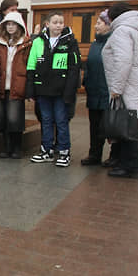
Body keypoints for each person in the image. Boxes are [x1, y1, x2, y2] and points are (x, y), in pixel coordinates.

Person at [102, 2, 138, 179]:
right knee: (131, 126)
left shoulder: (122, 31)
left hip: (128, 86)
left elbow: (123, 60)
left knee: (127, 127)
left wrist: (116, 88)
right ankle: (124, 162)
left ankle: (131, 167)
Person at [25, 11, 81, 167]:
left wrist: (70, 91)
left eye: (61, 22)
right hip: (43, 90)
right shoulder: (38, 42)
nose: (58, 25)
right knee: (46, 120)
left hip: (61, 91)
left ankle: (64, 151)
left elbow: (74, 68)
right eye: (55, 22)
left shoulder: (70, 42)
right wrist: (30, 90)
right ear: (47, 24)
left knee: (61, 120)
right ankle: (46, 150)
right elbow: (31, 66)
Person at [81, 9, 120, 167]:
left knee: (111, 126)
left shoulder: (115, 43)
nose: (96, 26)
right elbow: (89, 65)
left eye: (99, 23)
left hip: (109, 93)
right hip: (94, 92)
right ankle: (94, 154)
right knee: (94, 126)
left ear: (109, 25)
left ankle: (114, 156)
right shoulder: (95, 44)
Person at [0, 11, 32, 159]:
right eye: (8, 24)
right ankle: (6, 147)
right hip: (2, 86)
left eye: (13, 24)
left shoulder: (26, 43)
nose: (10, 27)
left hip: (17, 85)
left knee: (15, 119)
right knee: (2, 119)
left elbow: (29, 64)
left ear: (19, 26)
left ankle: (16, 148)